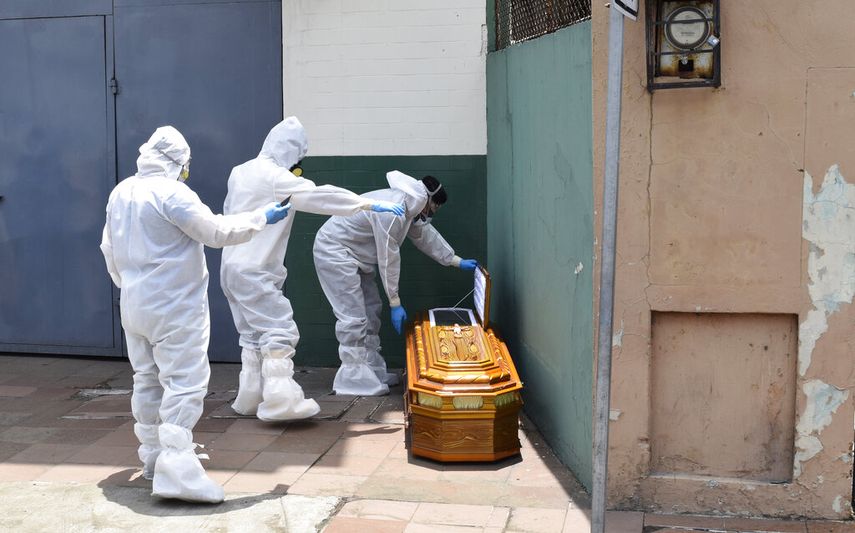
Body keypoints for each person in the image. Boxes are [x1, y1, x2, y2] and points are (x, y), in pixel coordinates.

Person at [100, 126, 290, 503]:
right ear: (178, 161)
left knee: (147, 379)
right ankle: (177, 469)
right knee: (184, 383)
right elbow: (216, 232)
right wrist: (261, 218)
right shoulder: (173, 193)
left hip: (134, 304)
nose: (188, 168)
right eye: (186, 163)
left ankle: (153, 456)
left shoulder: (121, 191)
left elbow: (107, 245)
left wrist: (129, 286)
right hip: (173, 306)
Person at [220, 117, 404, 421]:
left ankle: (249, 398)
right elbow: (321, 195)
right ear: (291, 150)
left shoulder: (239, 172)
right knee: (279, 330)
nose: (298, 162)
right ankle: (282, 402)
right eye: (298, 156)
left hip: (231, 267)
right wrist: (366, 204)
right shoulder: (275, 176)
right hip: (256, 268)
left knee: (252, 336)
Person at [313, 170, 479, 396]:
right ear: (426, 200)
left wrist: (454, 260)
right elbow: (388, 258)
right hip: (334, 251)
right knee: (353, 315)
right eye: (434, 208)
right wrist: (395, 302)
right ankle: (352, 378)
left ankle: (370, 369)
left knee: (371, 310)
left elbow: (424, 236)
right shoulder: (393, 212)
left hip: (354, 255)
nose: (432, 213)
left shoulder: (408, 207)